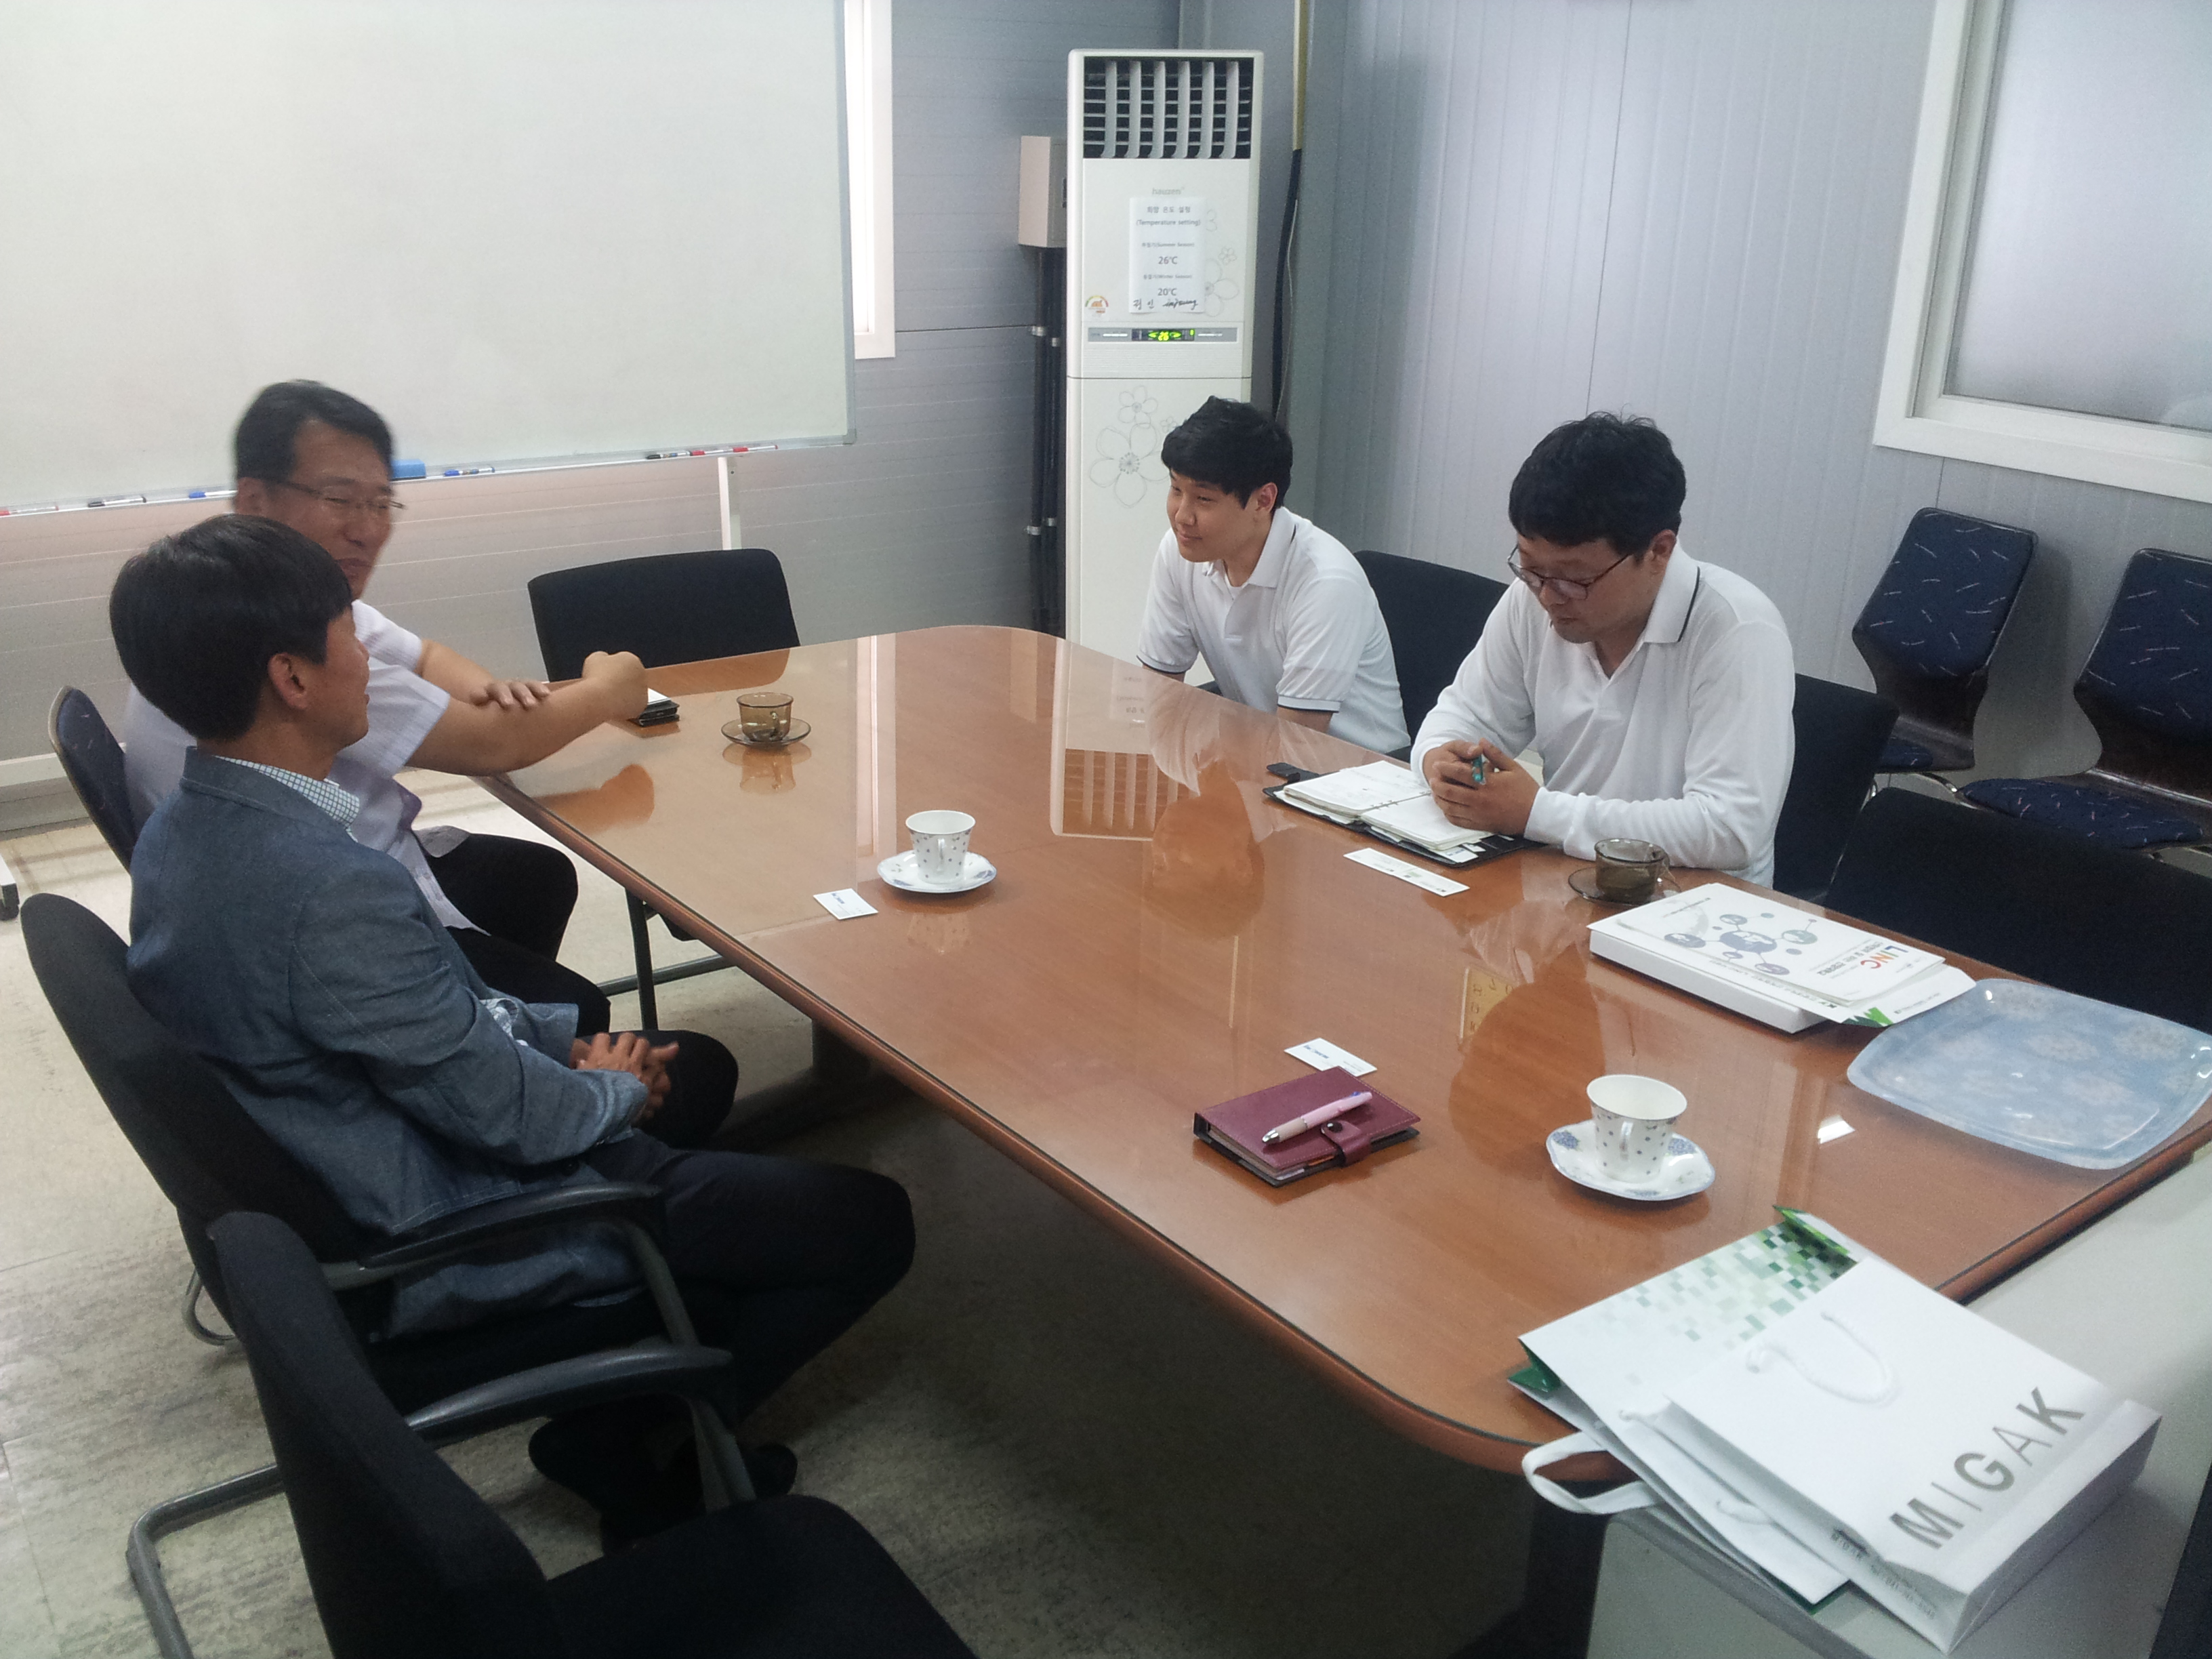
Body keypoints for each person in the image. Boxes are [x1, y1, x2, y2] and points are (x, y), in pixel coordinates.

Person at [113, 516, 914, 1540]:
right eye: (348, 632)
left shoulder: (188, 827)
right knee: (868, 1222)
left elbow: (428, 1019)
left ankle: (667, 1311)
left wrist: (561, 1044)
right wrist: (608, 1087)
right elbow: (514, 1122)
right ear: (294, 679)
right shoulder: (322, 888)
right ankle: (628, 1442)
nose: (369, 657)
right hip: (444, 1222)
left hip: (370, 1151)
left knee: (699, 1070)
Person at [121, 381, 637, 1040]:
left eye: (380, 502)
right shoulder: (278, 643)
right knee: (579, 1012)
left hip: (305, 874)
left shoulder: (256, 590)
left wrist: (496, 692)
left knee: (538, 877)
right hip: (319, 913)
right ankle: (491, 1039)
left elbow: (425, 657)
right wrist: (610, 688)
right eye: (339, 500)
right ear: (256, 499)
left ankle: (490, 1028)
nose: (366, 529)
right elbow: (493, 746)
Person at [1412, 413, 1794, 884]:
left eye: (1576, 579)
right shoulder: (1532, 600)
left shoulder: (1738, 631)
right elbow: (1463, 717)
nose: (1548, 596)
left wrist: (1537, 813)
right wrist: (1441, 763)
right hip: (1567, 878)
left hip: (1693, 900)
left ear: (1659, 551)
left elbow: (1731, 828)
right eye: (1529, 568)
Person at [1134, 397, 1408, 754]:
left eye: (1203, 499)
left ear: (1263, 500)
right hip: (1256, 755)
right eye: (1175, 490)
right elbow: (1159, 696)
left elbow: (1297, 744)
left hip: (1355, 772)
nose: (1182, 517)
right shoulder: (1180, 550)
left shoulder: (1325, 583)